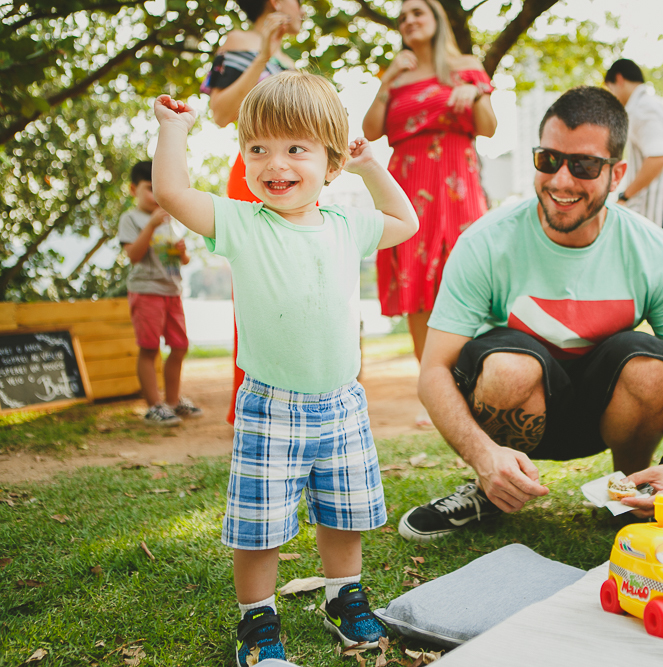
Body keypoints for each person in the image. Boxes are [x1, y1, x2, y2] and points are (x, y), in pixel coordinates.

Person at [151, 71, 419, 663]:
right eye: (259, 149)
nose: (276, 163)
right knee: (261, 521)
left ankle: (342, 594)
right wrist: (173, 130)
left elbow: (406, 222)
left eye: (296, 147)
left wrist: (373, 165)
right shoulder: (243, 224)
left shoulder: (349, 225)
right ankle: (257, 618)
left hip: (343, 403)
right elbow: (172, 193)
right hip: (271, 405)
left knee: (344, 512)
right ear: (244, 156)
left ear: (331, 163)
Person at [397, 86, 663, 543]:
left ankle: (630, 491)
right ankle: (493, 485)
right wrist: (483, 456)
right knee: (508, 366)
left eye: (582, 165)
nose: (561, 181)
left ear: (617, 173)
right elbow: (433, 372)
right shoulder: (487, 241)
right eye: (548, 160)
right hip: (515, 404)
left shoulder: (653, 250)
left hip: (606, 414)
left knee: (653, 367)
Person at [361, 0, 497, 401]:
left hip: (457, 182)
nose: (409, 21)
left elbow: (489, 127)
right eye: (403, 17)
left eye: (417, 12)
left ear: (436, 20)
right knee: (417, 286)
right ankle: (434, 390)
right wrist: (386, 82)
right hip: (409, 182)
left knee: (465, 277)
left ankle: (478, 381)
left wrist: (474, 91)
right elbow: (370, 130)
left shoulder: (466, 66)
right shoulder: (397, 75)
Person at [202, 0, 304, 426]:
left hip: (298, 180)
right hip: (254, 178)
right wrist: (262, 55)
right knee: (258, 294)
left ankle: (296, 400)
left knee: (297, 293)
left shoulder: (293, 61)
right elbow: (221, 112)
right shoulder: (240, 43)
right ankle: (251, 409)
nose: (302, 10)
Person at [117, 160, 202, 426]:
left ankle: (173, 402)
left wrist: (183, 252)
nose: (156, 196)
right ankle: (154, 406)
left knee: (179, 346)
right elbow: (133, 255)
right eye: (149, 188)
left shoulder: (170, 218)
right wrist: (151, 226)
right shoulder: (131, 219)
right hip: (146, 291)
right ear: (134, 189)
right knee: (149, 348)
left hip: (172, 292)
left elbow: (183, 261)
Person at [603, 58, 663, 238]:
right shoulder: (657, 104)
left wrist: (625, 197)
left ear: (619, 79)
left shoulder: (642, 108)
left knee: (652, 264)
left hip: (658, 205)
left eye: (610, 88)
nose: (613, 96)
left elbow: (658, 157)